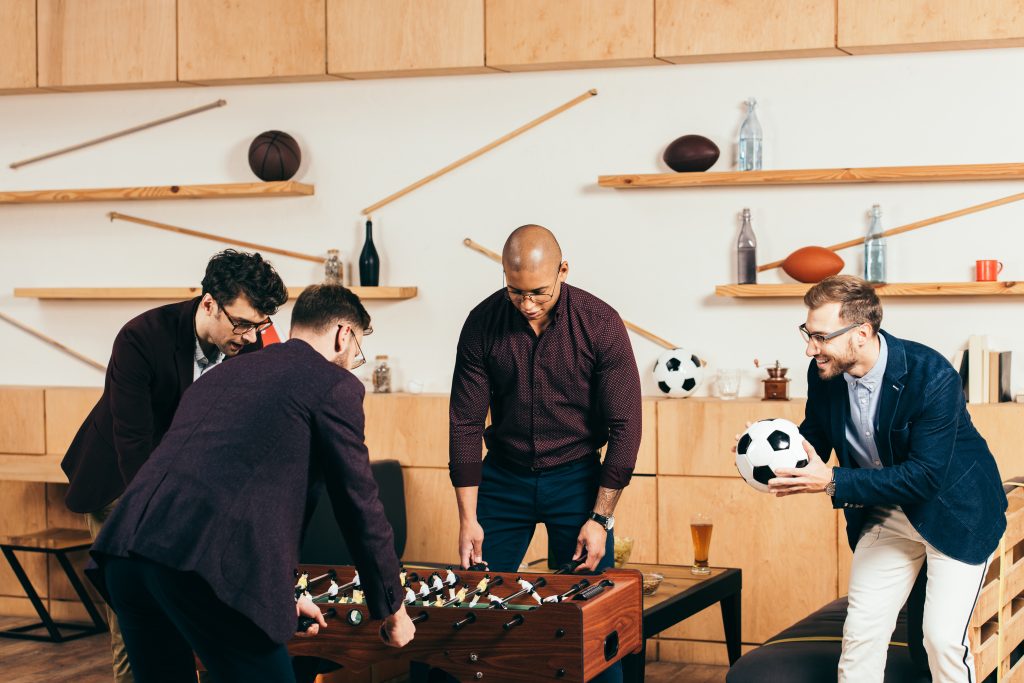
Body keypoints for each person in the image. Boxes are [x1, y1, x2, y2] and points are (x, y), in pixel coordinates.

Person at [87, 283, 416, 683]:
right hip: (198, 566)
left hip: (126, 554)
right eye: (357, 351)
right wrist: (393, 607)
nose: (352, 362)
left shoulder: (225, 374)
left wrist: (281, 597)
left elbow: (236, 487)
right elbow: (359, 503)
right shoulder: (334, 384)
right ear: (343, 334)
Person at [766, 274, 1007, 682]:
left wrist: (832, 481)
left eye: (821, 337)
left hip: (953, 513)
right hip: (886, 513)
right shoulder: (823, 373)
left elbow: (925, 477)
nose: (811, 348)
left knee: (942, 641)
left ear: (861, 332)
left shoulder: (932, 376)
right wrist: (770, 449)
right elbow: (818, 435)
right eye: (807, 334)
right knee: (861, 635)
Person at [62, 248, 288, 683]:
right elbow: (133, 444)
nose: (250, 336)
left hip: (193, 487)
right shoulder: (141, 338)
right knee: (138, 622)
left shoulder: (254, 341)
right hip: (123, 486)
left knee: (192, 611)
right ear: (208, 304)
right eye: (242, 324)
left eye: (260, 325)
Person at [448, 224, 642, 683]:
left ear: (564, 270)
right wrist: (468, 518)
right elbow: (465, 423)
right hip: (503, 478)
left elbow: (625, 427)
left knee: (588, 620)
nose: (528, 304)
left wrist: (601, 519)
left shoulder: (600, 324)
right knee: (475, 610)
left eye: (539, 291)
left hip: (576, 481)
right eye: (516, 292)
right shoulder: (482, 323)